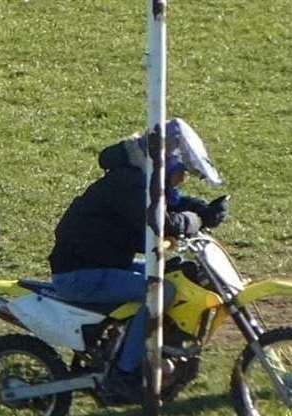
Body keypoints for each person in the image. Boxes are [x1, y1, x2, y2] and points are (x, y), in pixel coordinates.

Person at [48, 118, 229, 401]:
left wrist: (203, 209)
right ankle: (124, 371)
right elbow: (163, 222)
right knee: (162, 291)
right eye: (179, 175)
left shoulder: (139, 177)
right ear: (165, 163)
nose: (179, 182)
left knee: (172, 278)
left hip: (103, 265)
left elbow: (171, 202)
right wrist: (197, 219)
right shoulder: (129, 183)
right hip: (80, 275)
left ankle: (143, 349)